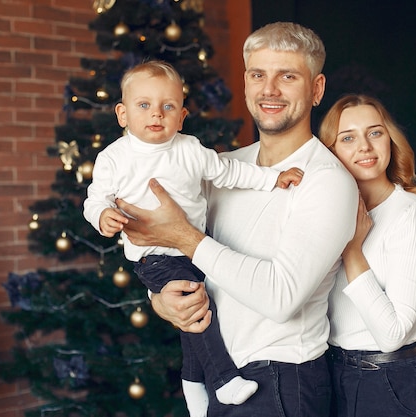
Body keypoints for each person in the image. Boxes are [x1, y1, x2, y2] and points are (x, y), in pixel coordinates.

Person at [115, 23, 358, 417]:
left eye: (288, 76)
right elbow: (165, 248)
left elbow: (280, 298)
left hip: (282, 383)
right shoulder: (223, 167)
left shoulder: (328, 182)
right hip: (221, 377)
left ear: (316, 89)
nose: (270, 90)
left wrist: (187, 239)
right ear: (246, 84)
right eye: (258, 75)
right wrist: (160, 301)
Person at [83, 60, 306, 417]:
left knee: (193, 314)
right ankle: (223, 379)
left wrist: (271, 179)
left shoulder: (189, 149)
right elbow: (95, 199)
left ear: (182, 116)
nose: (156, 114)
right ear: (122, 114)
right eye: (144, 105)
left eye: (168, 106)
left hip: (192, 246)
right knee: (201, 311)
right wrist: (102, 216)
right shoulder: (114, 158)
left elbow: (228, 171)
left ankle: (191, 380)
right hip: (153, 255)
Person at [318, 94, 416, 417]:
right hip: (331, 375)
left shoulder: (415, 214)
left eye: (375, 133)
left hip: (393, 381)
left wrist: (352, 249)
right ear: (331, 152)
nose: (365, 146)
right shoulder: (324, 215)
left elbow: (393, 335)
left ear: (390, 140)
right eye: (348, 138)